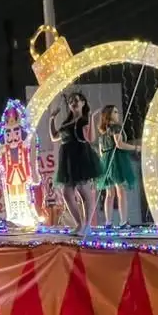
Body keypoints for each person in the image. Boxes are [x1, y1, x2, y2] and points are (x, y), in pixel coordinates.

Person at [49, 92, 101, 231]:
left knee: (84, 190)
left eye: (76, 100)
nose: (73, 102)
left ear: (83, 102)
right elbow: (54, 137)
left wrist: (90, 118)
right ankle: (80, 224)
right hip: (67, 157)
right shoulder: (67, 122)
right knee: (67, 193)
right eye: (71, 101)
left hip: (79, 155)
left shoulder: (83, 120)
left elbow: (90, 138)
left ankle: (87, 225)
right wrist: (52, 118)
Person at [93, 104, 142, 226]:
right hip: (116, 160)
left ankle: (108, 222)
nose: (118, 114)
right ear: (109, 115)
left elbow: (101, 152)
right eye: (115, 112)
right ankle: (123, 221)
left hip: (105, 162)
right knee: (121, 191)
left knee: (109, 194)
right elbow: (119, 144)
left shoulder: (102, 134)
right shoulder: (116, 127)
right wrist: (136, 147)